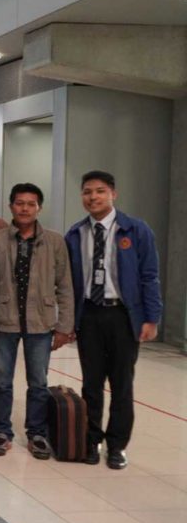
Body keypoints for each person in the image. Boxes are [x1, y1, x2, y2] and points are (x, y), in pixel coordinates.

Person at [65, 170, 162, 469]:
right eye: (87, 192)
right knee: (91, 383)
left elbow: (150, 276)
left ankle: (117, 446)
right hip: (89, 315)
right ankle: (91, 440)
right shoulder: (75, 234)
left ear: (113, 194)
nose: (93, 197)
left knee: (122, 383)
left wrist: (151, 317)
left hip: (123, 315)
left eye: (100, 191)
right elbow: (68, 283)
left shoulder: (136, 230)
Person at [0, 183, 74, 460]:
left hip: (41, 323)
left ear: (39, 208)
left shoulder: (55, 242)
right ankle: (0, 431)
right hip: (3, 320)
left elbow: (65, 286)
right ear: (10, 207)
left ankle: (37, 433)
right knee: (0, 381)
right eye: (19, 203)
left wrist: (64, 327)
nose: (25, 208)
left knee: (38, 381)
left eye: (31, 204)